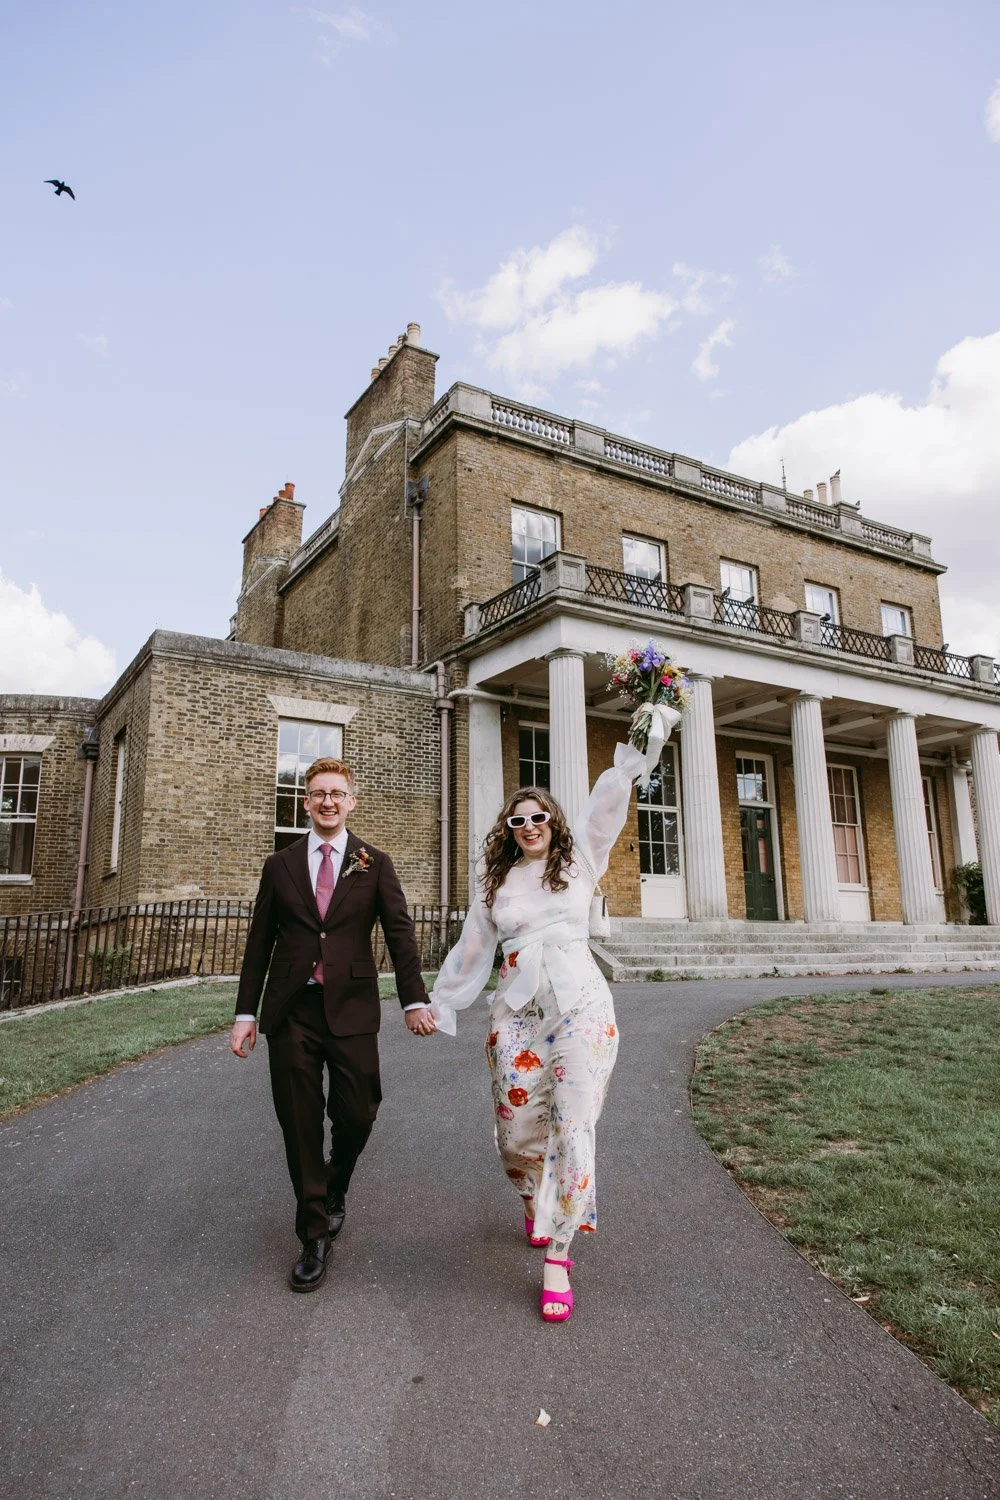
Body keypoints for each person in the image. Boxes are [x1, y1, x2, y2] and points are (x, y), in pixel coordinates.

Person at [430, 741, 646, 1322]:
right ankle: (535, 1199)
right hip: (518, 1015)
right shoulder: (495, 885)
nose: (529, 826)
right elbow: (473, 948)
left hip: (582, 1009)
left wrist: (630, 759)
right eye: (518, 820)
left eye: (538, 816)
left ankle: (559, 1251)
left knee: (573, 1128)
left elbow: (606, 810)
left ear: (553, 822)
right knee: (516, 1131)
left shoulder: (581, 864)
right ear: (509, 829)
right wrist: (442, 1002)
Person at [231, 757, 436, 1292]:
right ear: (306, 801)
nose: (327, 801)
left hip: (351, 1008)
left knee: (359, 1111)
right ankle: (314, 1232)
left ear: (351, 801)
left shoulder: (374, 863)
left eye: (337, 793)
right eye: (318, 792)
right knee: (299, 1121)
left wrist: (414, 999)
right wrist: (245, 1013)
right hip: (291, 1009)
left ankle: (333, 1183)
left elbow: (400, 935)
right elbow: (259, 944)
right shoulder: (280, 866)